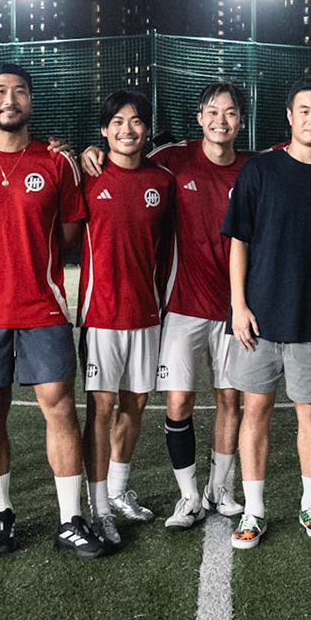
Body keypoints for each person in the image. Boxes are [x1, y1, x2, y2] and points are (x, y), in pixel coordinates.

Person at [0, 64, 104, 559]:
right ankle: (1, 514)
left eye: (19, 91)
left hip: (42, 306)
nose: (9, 99)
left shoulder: (57, 162)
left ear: (30, 102)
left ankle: (70, 519)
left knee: (60, 408)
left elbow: (69, 234)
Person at [222, 76, 311, 549]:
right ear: (289, 116)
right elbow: (239, 242)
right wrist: (239, 306)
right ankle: (254, 510)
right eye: (304, 111)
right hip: (259, 319)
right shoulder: (259, 170)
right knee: (254, 411)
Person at [148, 85, 250, 527]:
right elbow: (124, 159)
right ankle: (188, 495)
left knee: (230, 399)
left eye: (230, 113)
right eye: (212, 112)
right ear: (199, 117)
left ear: (241, 121)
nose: (220, 121)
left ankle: (219, 488)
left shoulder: (252, 168)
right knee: (179, 401)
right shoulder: (172, 159)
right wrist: (92, 153)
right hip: (183, 305)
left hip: (234, 309)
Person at [76, 90, 175, 545]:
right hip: (101, 314)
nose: (127, 129)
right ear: (104, 130)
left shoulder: (163, 181)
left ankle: (116, 492)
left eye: (135, 121)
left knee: (134, 405)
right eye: (117, 121)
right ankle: (97, 508)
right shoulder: (86, 175)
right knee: (100, 409)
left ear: (147, 130)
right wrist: (74, 153)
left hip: (146, 314)